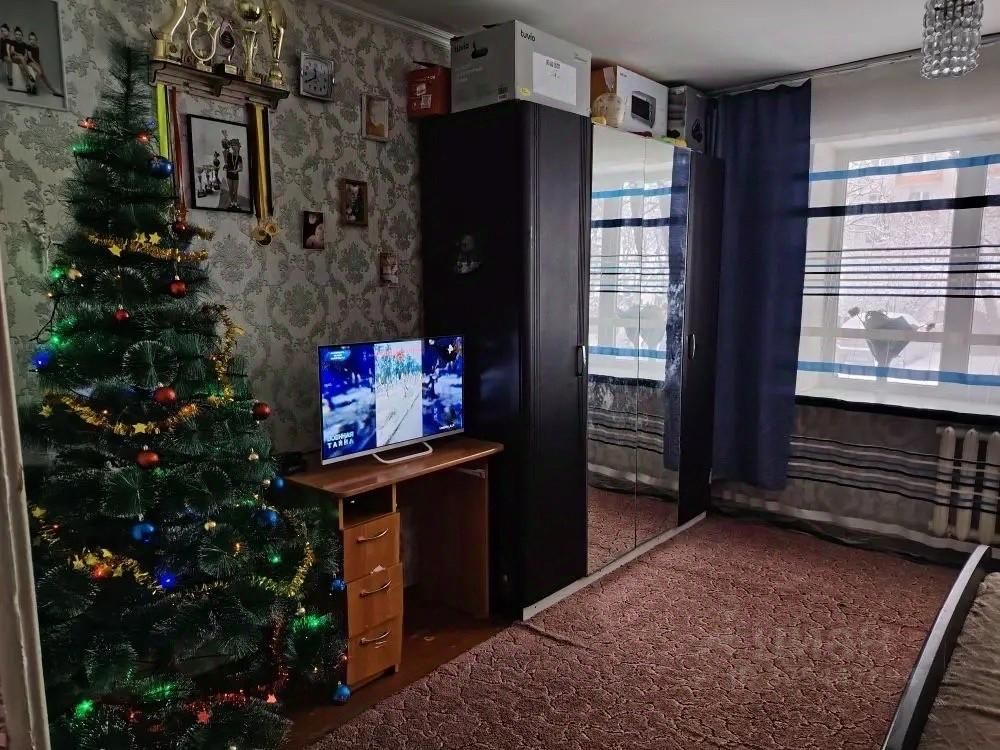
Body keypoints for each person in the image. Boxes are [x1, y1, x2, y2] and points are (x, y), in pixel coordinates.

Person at [221, 132, 243, 210]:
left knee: (235, 191)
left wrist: (236, 170)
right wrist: (225, 137)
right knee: (230, 190)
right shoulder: (229, 154)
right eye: (233, 145)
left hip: (235, 175)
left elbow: (241, 168)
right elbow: (225, 148)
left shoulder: (239, 157)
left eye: (235, 145)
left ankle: (235, 203)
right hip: (229, 175)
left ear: (238, 147)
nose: (234, 147)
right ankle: (231, 203)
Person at [9, 27, 36, 93]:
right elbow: (12, 51)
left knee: (22, 68)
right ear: (15, 35)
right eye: (16, 34)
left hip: (21, 60)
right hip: (14, 58)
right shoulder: (13, 42)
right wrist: (19, 55)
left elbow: (26, 54)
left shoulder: (24, 44)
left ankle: (28, 85)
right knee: (21, 58)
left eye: (19, 35)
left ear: (22, 36)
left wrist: (25, 57)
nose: (18, 36)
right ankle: (29, 75)